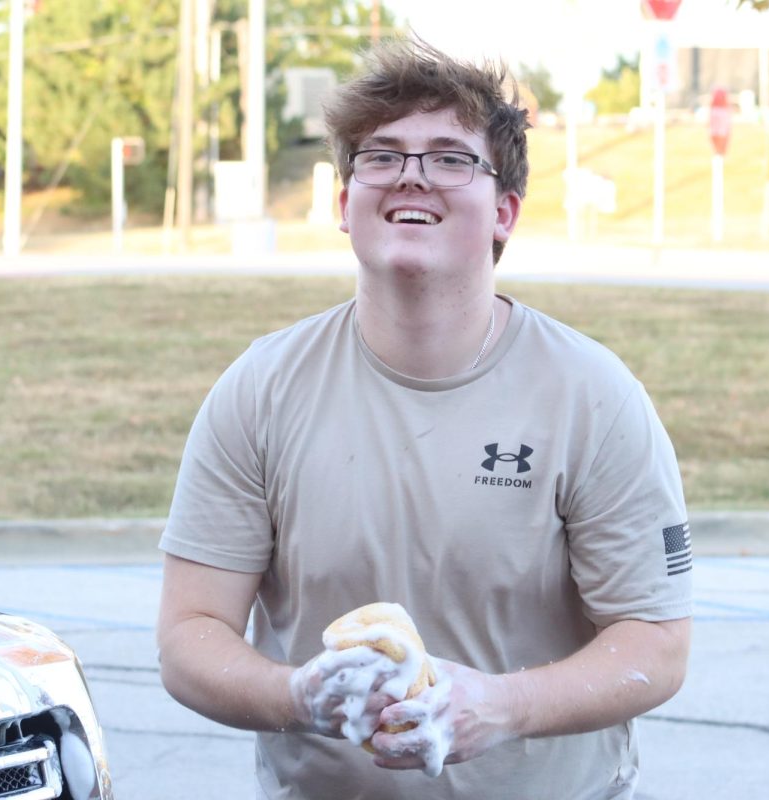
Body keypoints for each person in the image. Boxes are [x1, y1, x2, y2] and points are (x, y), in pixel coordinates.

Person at [155, 39, 693, 799]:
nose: (411, 174)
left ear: (504, 211)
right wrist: (301, 697)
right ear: (344, 204)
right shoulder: (260, 389)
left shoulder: (591, 395)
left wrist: (500, 709)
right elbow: (189, 637)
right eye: (380, 156)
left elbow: (658, 644)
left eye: (449, 158)